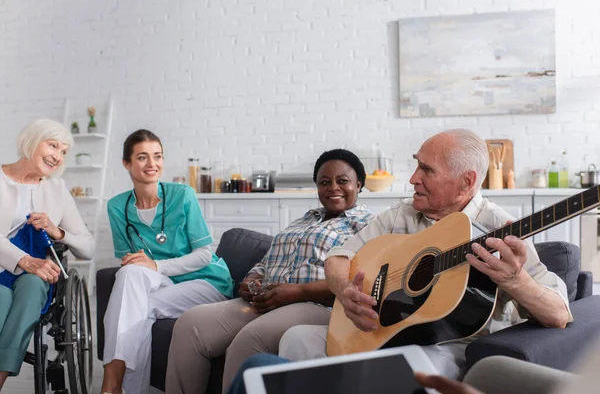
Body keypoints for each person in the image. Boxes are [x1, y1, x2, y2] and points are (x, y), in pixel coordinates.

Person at [278, 128, 572, 380]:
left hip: (448, 346)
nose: (413, 179)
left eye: (427, 170)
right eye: (417, 165)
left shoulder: (501, 230)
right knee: (296, 339)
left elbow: (559, 315)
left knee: (411, 370)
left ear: (466, 182)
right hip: (380, 331)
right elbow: (338, 257)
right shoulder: (400, 215)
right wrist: (344, 291)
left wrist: (516, 280)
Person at [165, 149, 377, 394]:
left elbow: (360, 281)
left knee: (250, 339)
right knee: (190, 323)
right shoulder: (303, 220)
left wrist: (298, 292)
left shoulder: (368, 225)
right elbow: (267, 261)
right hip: (265, 300)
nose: (333, 188)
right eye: (324, 182)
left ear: (359, 184)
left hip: (317, 305)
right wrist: (252, 278)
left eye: (342, 181)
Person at [100, 129, 234, 394]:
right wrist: (138, 263)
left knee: (138, 308)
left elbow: (204, 255)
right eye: (142, 157)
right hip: (165, 281)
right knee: (127, 275)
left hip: (205, 280)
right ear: (126, 163)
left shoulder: (182, 195)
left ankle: (113, 383)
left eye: (157, 156)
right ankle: (115, 384)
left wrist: (156, 265)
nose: (152, 164)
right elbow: (128, 258)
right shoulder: (117, 206)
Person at [0, 119, 95, 390]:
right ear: (31, 140)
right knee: (2, 299)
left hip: (38, 273)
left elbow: (87, 247)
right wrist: (23, 260)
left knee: (32, 285)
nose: (58, 156)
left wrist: (57, 231)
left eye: (64, 151)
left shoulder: (56, 188)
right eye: (52, 145)